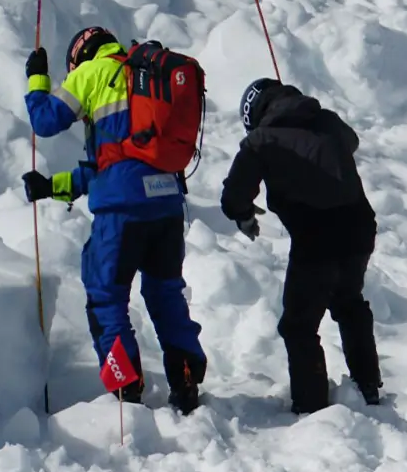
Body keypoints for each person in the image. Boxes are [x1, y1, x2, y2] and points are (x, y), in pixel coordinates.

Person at [23, 26, 207, 411]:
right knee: (164, 294)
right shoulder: (142, 79)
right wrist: (51, 187)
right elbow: (108, 164)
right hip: (168, 207)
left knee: (106, 297)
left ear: (79, 56)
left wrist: (37, 79)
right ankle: (186, 376)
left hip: (123, 212)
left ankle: (127, 389)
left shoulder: (92, 74)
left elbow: (45, 121)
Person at [221, 78, 381, 414]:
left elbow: (235, 193)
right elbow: (350, 141)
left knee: (298, 325)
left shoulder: (261, 140)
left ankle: (312, 408)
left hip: (316, 238)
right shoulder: (325, 120)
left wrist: (243, 215)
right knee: (349, 303)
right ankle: (368, 388)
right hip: (358, 228)